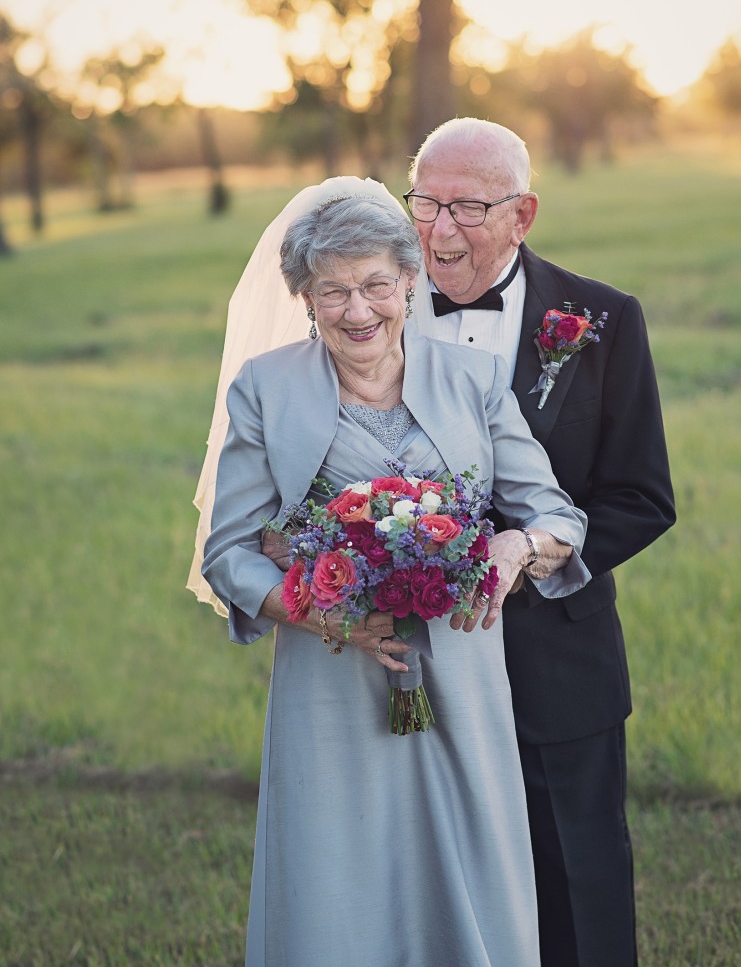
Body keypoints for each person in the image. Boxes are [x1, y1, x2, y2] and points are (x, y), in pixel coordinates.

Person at [193, 177, 591, 967]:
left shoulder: (474, 381)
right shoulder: (265, 389)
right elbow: (229, 552)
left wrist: (513, 549)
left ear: (410, 281)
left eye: (376, 284)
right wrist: (320, 612)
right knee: (340, 875)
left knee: (470, 869)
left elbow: (557, 517)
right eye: (332, 290)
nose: (358, 310)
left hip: (465, 674)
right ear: (305, 298)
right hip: (333, 679)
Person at [405, 118, 677, 967]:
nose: (439, 230)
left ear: (523, 214)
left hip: (559, 657)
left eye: (468, 207)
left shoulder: (602, 319)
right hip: (411, 655)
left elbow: (642, 497)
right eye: (425, 203)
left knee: (576, 880)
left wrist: (532, 552)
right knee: (428, 876)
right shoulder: (374, 307)